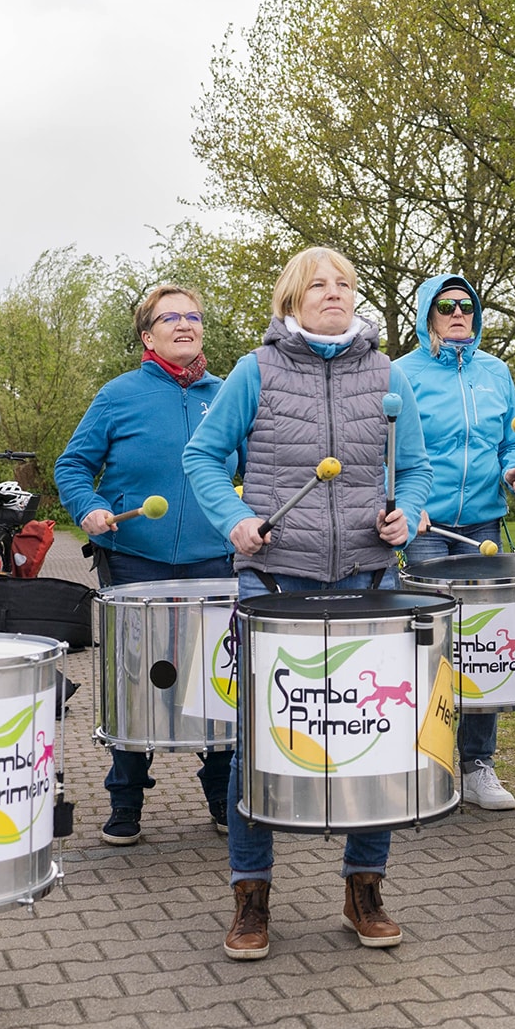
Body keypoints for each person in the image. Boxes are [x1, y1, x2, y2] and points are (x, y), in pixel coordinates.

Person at [183, 246, 432, 960]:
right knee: (257, 743)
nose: (333, 293)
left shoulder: (387, 374)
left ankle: (363, 887)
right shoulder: (255, 370)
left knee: (372, 736)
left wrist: (406, 514)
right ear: (290, 300)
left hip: (365, 576)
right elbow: (203, 457)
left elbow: (413, 469)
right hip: (276, 579)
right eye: (318, 284)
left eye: (344, 284)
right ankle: (251, 893)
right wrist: (233, 518)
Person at [55, 283, 239, 845]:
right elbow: (72, 466)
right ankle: (125, 800)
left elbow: (262, 468)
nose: (185, 325)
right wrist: (90, 508)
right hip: (136, 559)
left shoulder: (230, 394)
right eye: (170, 318)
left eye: (194, 316)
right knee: (138, 681)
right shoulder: (119, 394)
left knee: (216, 684)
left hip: (215, 560)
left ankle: (221, 796)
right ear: (147, 334)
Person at [391, 273, 515, 812]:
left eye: (467, 306)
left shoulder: (495, 372)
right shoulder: (401, 372)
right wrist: (407, 503)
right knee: (433, 646)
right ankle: (428, 761)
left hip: (483, 529)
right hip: (425, 529)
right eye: (446, 305)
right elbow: (384, 449)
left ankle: (477, 765)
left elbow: (507, 444)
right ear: (428, 313)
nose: (458, 313)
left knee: (480, 647)